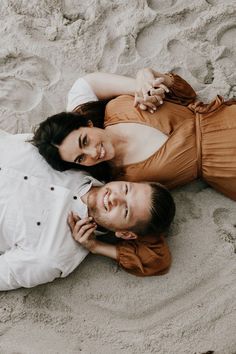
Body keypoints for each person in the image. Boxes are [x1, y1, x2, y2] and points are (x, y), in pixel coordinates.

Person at [0, 132, 175, 291]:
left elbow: (157, 259)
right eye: (127, 189)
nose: (116, 198)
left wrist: (96, 247)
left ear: (125, 234)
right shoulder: (88, 160)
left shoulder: (53, 255)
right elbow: (82, 98)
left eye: (126, 210)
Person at [32, 69, 236, 201]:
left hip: (224, 118)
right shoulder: (123, 180)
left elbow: (186, 94)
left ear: (88, 123)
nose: (93, 152)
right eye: (80, 158)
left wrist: (146, 77)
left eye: (84, 141)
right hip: (226, 167)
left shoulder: (119, 106)